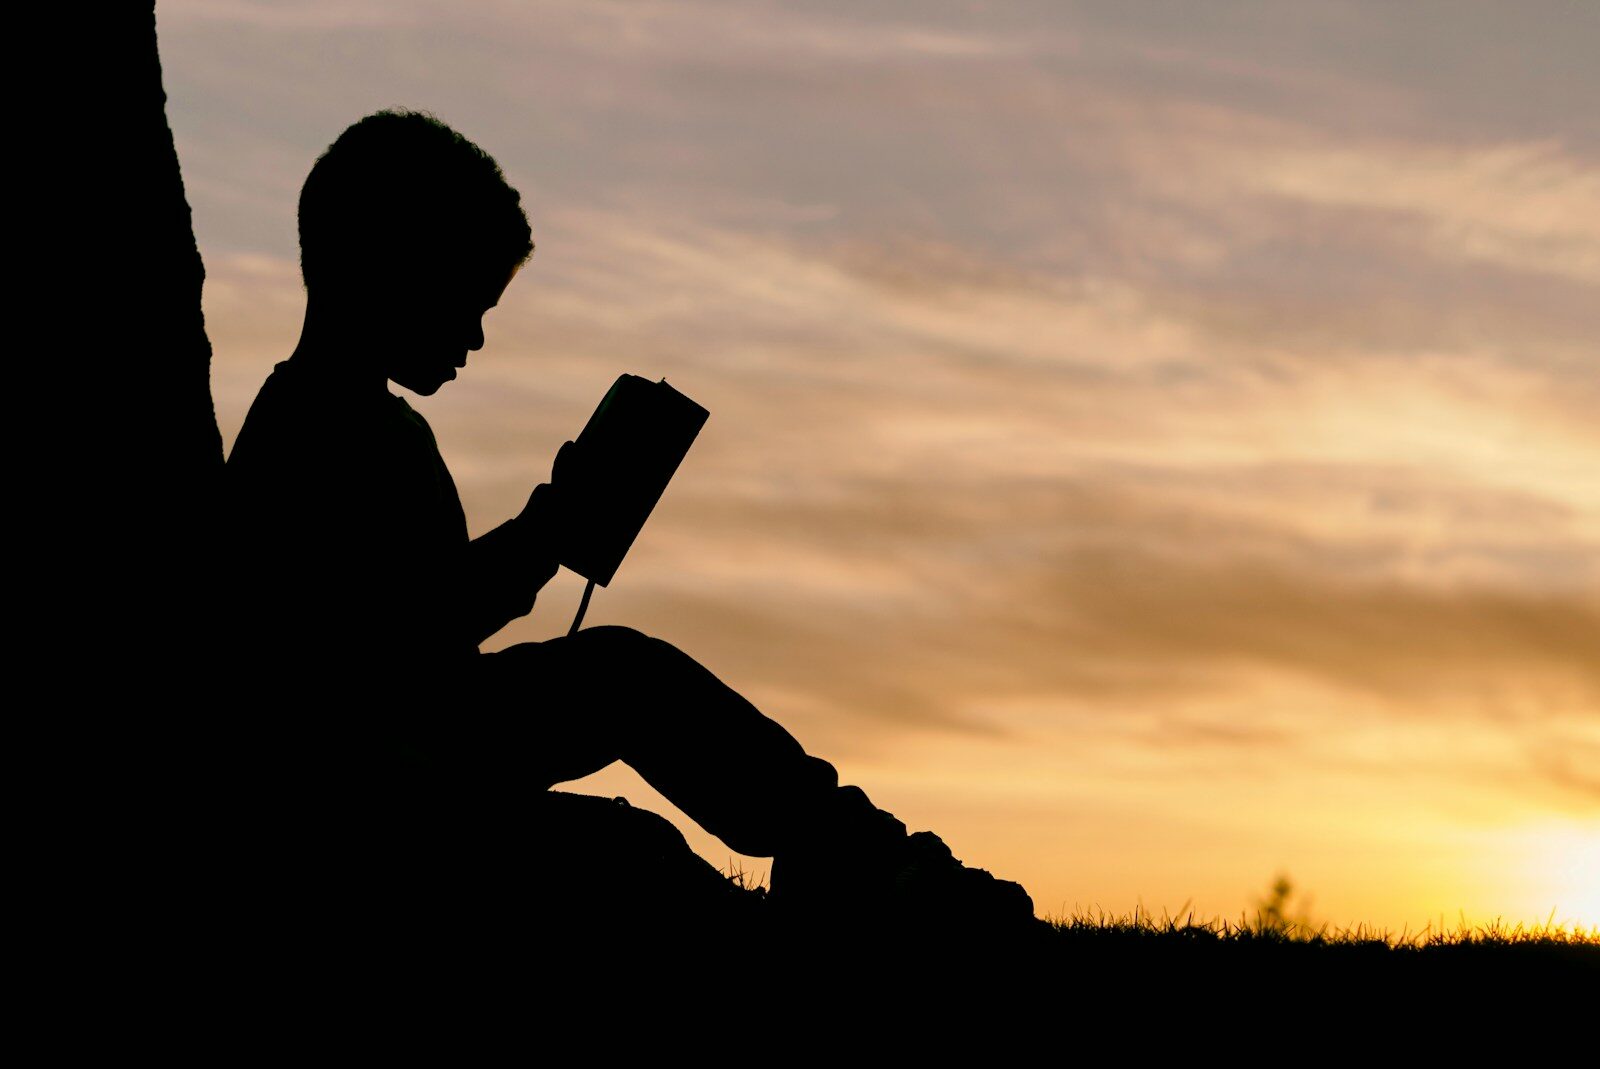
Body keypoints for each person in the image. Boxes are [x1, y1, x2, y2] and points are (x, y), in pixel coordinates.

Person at [222, 108, 1033, 933]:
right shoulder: (313, 432)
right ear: (391, 267)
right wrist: (545, 534)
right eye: (466, 299)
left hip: (407, 766)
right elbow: (392, 645)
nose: (474, 336)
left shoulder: (356, 422)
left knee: (626, 712)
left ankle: (856, 862)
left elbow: (419, 623)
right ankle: (868, 869)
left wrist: (545, 530)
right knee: (629, 761)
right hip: (368, 797)